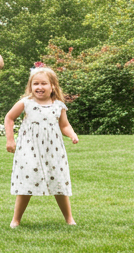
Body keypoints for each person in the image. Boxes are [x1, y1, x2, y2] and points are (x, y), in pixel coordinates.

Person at [6, 65, 79, 227]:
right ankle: (16, 219)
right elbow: (9, 118)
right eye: (36, 84)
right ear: (30, 86)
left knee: (59, 181)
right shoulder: (26, 103)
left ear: (52, 86)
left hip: (53, 150)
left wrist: (72, 134)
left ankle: (69, 218)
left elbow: (64, 125)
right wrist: (10, 140)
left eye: (44, 83)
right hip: (29, 148)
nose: (39, 87)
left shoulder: (58, 105)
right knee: (28, 180)